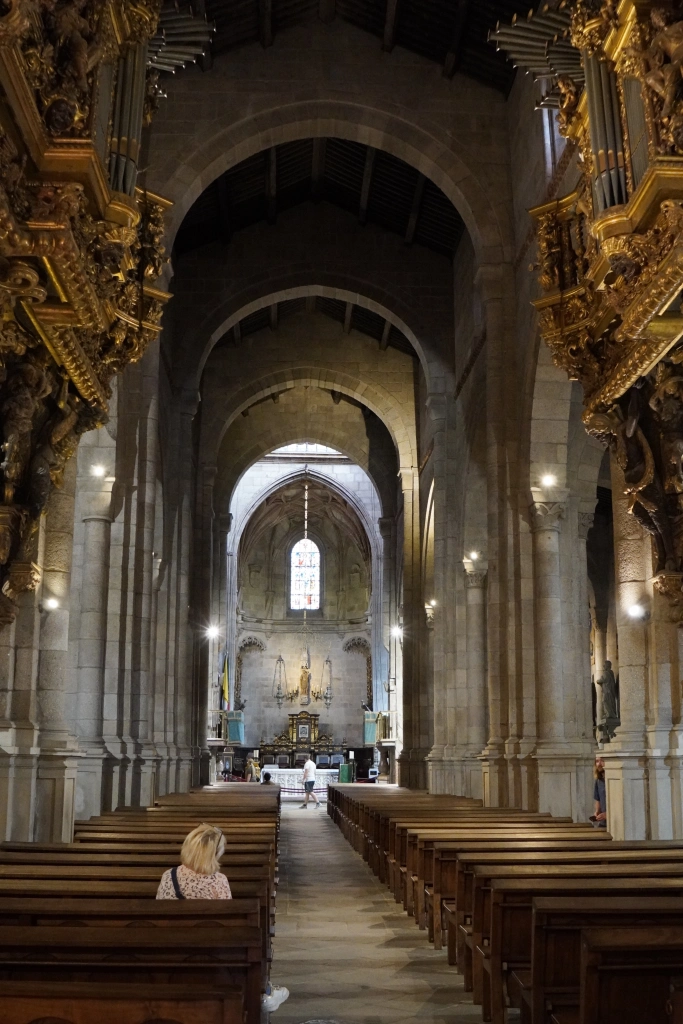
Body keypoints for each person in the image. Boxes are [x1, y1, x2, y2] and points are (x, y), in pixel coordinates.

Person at [157, 823, 289, 1013]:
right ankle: (264, 993)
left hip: (171, 948)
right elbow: (227, 922)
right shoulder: (218, 881)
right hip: (210, 951)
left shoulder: (168, 876)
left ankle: (266, 991)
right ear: (214, 853)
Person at [590, 756, 607, 828]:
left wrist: (608, 814)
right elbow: (598, 799)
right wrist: (597, 811)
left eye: (602, 761)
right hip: (603, 823)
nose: (599, 764)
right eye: (597, 761)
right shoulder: (598, 780)